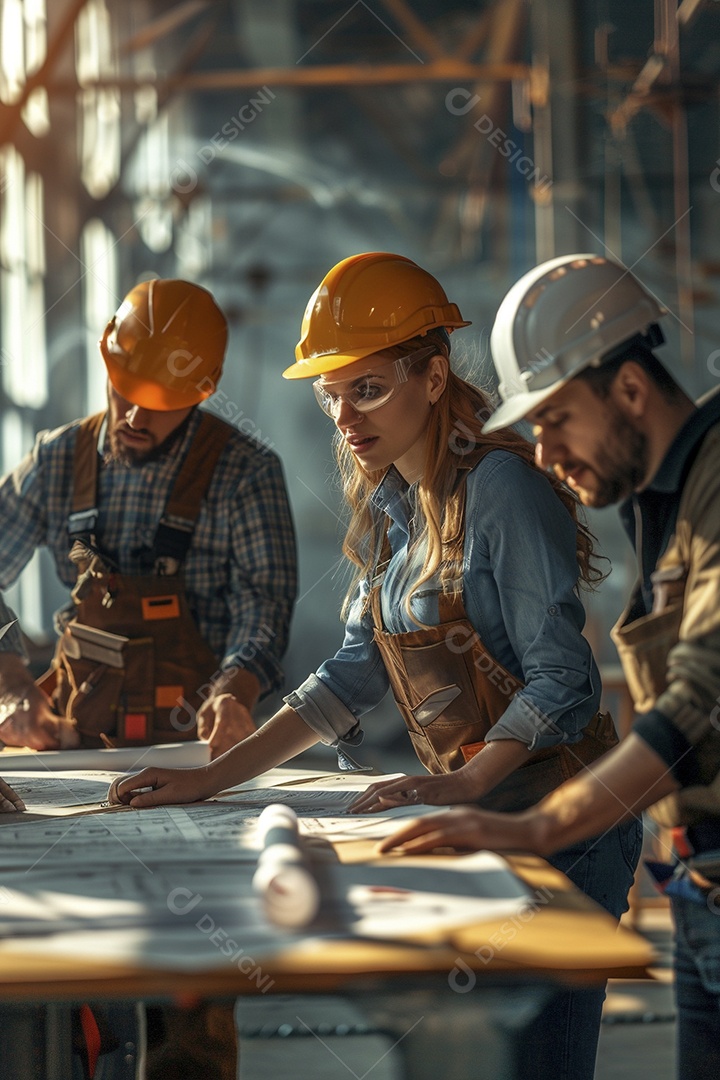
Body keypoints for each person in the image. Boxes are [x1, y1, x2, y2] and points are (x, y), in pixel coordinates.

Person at [109, 252, 641, 1080]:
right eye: (332, 395)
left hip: (563, 827)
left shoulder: (502, 489)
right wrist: (211, 780)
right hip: (478, 824)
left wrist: (464, 783)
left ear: (433, 377)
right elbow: (354, 673)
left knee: (538, 1065)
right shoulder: (395, 507)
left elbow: (563, 682)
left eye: (369, 388)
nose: (346, 416)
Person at [379, 252, 719, 1079]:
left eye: (557, 418)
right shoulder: (660, 494)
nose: (543, 449)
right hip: (700, 886)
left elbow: (700, 696)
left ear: (630, 390)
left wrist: (537, 826)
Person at [0, 278, 297, 759]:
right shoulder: (57, 461)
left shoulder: (245, 472)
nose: (136, 417)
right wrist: (11, 679)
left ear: (203, 390)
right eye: (126, 390)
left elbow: (264, 607)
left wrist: (235, 690)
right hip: (73, 747)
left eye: (160, 402)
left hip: (199, 753)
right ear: (106, 357)